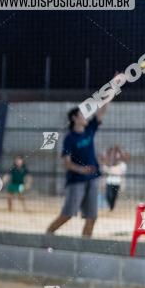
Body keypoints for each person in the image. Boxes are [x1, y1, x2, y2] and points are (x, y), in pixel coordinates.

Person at [46, 101, 109, 238]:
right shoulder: (70, 139)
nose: (86, 117)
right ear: (74, 118)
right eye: (82, 115)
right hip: (76, 181)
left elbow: (101, 111)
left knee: (91, 217)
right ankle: (47, 237)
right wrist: (82, 169)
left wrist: (113, 88)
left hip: (92, 179)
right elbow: (67, 163)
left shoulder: (89, 130)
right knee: (67, 215)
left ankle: (84, 246)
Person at [101, 145, 129, 212]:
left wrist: (123, 184)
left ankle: (112, 207)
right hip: (109, 182)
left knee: (114, 196)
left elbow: (122, 175)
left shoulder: (122, 165)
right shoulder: (109, 164)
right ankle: (110, 206)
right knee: (108, 195)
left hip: (117, 182)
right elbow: (105, 170)